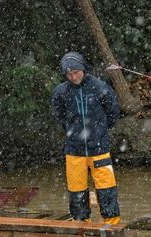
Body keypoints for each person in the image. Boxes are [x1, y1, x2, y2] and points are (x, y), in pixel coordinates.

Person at [51, 52, 121, 225]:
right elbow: (59, 116)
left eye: (76, 72)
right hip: (74, 150)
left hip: (99, 148)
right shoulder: (60, 92)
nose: (74, 77)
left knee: (106, 188)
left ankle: (111, 223)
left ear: (83, 68)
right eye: (69, 74)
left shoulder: (100, 87)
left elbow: (113, 112)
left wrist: (100, 131)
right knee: (76, 189)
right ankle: (81, 222)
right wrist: (73, 132)